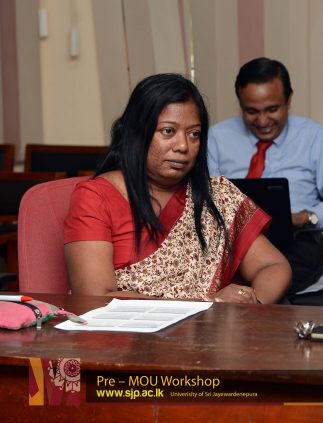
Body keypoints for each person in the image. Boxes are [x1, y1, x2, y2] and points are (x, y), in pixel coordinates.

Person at [64, 73, 291, 303]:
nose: (183, 146)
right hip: (129, 327)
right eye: (168, 131)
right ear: (137, 132)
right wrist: (209, 305)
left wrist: (251, 304)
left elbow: (273, 265)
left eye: (194, 134)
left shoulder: (215, 196)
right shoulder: (95, 197)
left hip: (213, 326)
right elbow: (94, 298)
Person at [208, 57, 323, 303]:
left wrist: (305, 217)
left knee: (286, 269)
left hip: (295, 241)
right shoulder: (217, 137)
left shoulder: (313, 135)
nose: (262, 121)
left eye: (272, 109)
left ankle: (259, 308)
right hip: (233, 244)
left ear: (288, 100)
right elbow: (206, 198)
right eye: (251, 111)